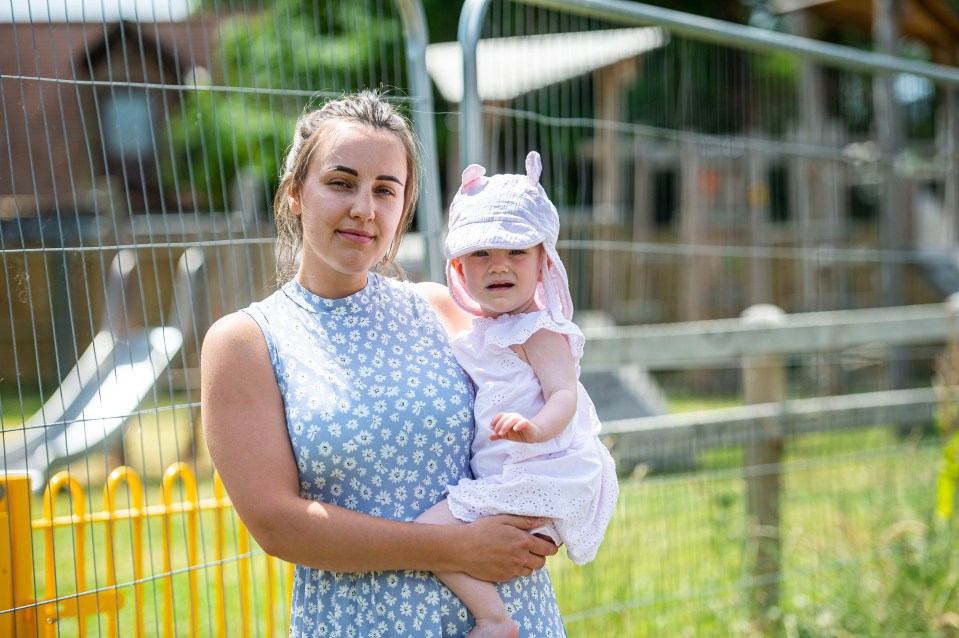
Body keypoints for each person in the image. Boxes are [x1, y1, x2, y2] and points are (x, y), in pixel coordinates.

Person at [200, 91, 568, 637]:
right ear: (295, 193)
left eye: (385, 190)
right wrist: (456, 546)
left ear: (404, 207)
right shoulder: (248, 342)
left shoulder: (444, 309)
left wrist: (546, 519)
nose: (364, 209)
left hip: (512, 617)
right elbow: (278, 525)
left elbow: (542, 417)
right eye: (341, 182)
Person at [416, 151, 620, 638]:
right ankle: (494, 616)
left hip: (538, 471)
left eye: (515, 252)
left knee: (427, 535)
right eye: (481, 254)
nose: (498, 266)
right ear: (460, 269)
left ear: (543, 260)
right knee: (441, 541)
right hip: (513, 470)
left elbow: (564, 398)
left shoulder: (540, 332)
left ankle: (494, 620)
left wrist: (534, 429)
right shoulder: (484, 332)